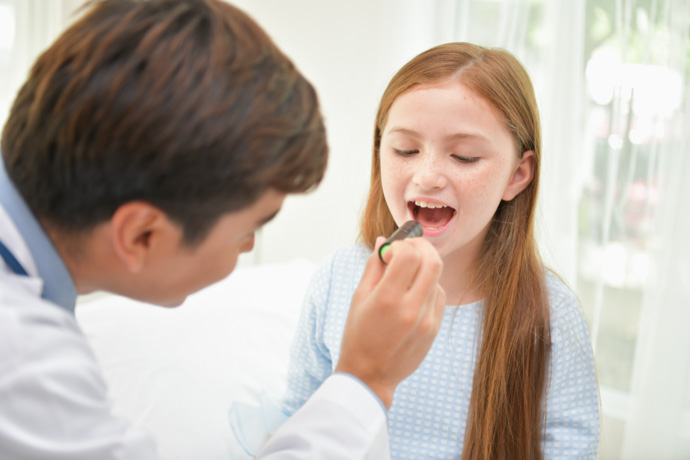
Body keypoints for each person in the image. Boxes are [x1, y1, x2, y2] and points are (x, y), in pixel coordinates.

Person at [0, 1, 446, 459]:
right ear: (141, 236)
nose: (250, 244)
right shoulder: (24, 363)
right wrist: (365, 380)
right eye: (248, 229)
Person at [266, 42, 600, 459]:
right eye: (405, 150)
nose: (427, 177)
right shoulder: (338, 279)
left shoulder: (552, 314)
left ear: (517, 175)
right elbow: (299, 419)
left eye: (464, 156)